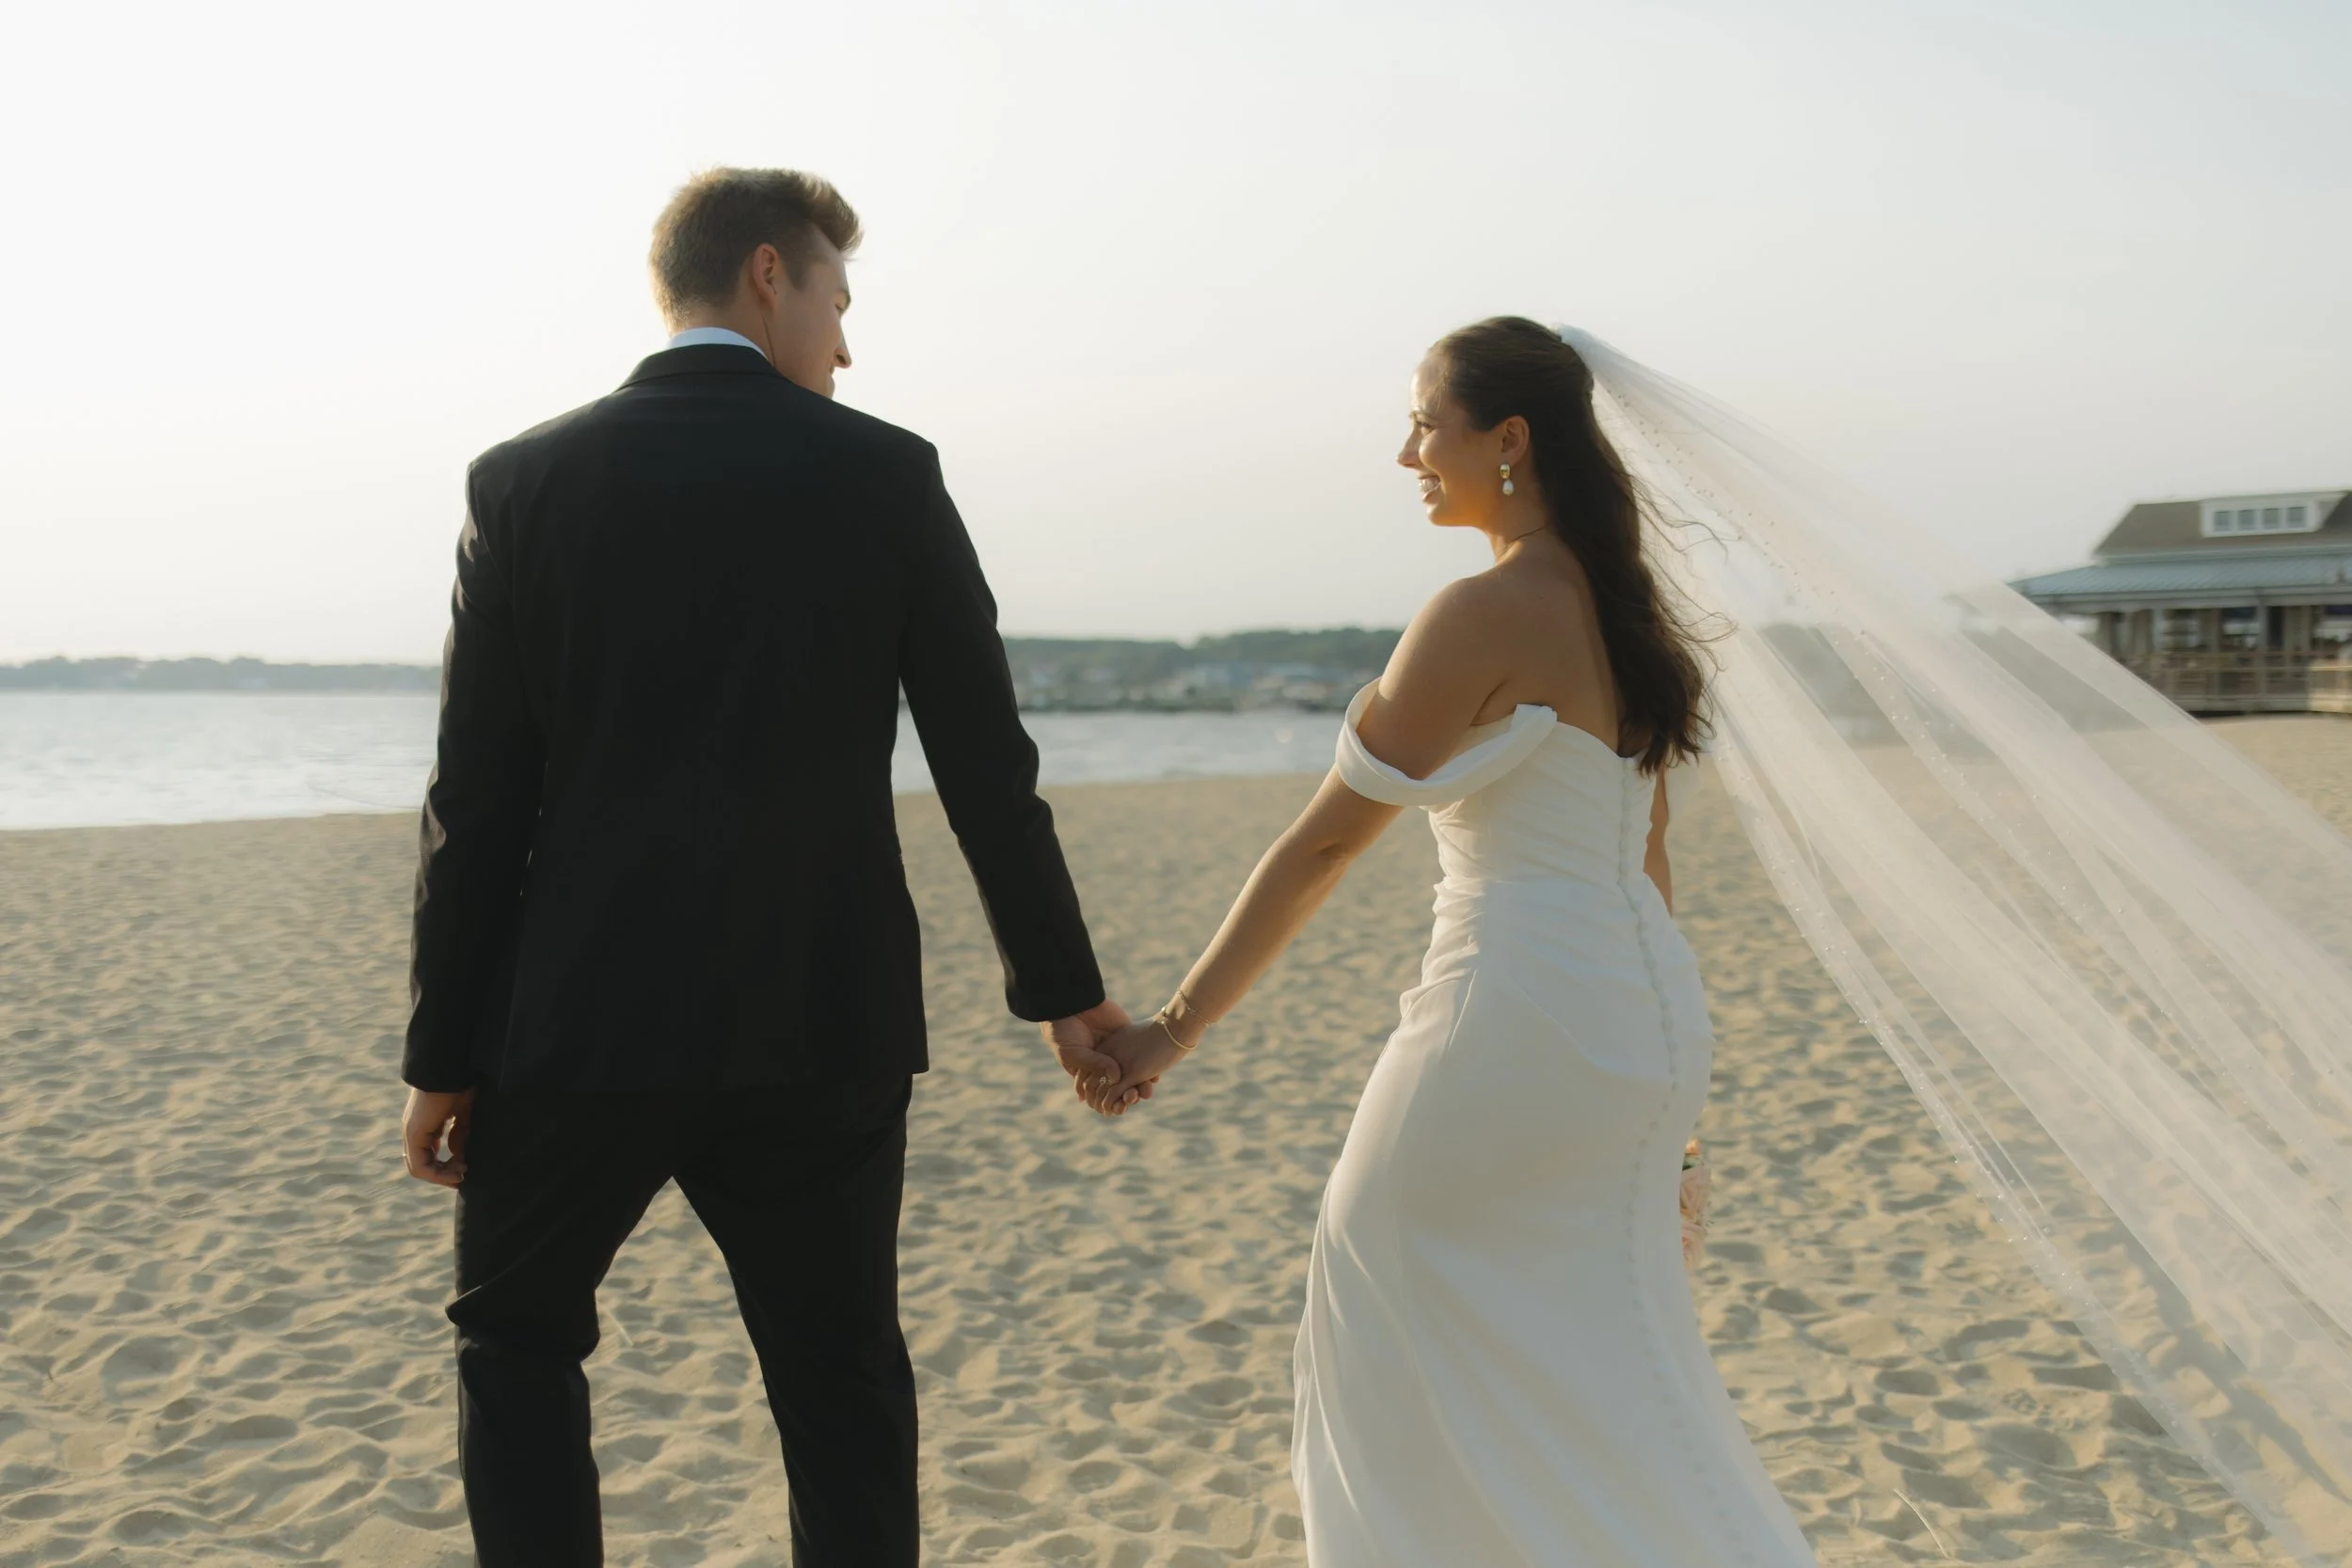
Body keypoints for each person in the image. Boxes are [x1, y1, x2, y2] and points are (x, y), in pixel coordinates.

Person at [395, 167, 1129, 1568]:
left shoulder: (523, 480)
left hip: (577, 1020)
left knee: (516, 1340)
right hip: (820, 1011)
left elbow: (473, 802)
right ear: (772, 276)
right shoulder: (887, 475)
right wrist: (1064, 992)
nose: (847, 347)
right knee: (839, 1372)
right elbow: (987, 765)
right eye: (840, 302)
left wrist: (443, 1051)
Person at [1087, 317, 1820, 1563]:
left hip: (1512, 1016)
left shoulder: (1483, 612)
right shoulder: (1625, 610)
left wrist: (1170, 1027)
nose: (1406, 450)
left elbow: (1323, 846)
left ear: (1510, 439)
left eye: (1426, 420)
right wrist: (1674, 1130)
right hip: (1643, 1030)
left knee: (1380, 1305)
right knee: (1613, 1370)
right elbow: (1649, 863)